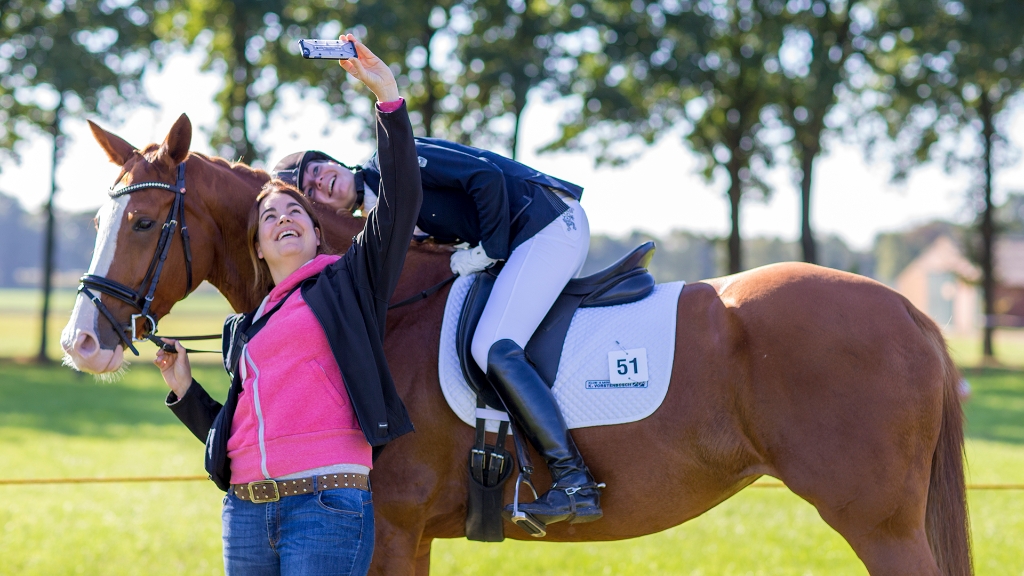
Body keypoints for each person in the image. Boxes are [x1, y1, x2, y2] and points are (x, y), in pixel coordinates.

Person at [154, 35, 421, 576]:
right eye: (270, 216)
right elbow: (231, 436)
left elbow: (400, 205)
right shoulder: (244, 328)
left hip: (327, 505)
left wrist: (387, 99)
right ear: (257, 245)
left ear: (317, 232)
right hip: (246, 510)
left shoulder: (350, 284)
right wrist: (183, 388)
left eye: (295, 210)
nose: (283, 219)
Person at [271, 116, 602, 527]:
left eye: (317, 170)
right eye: (312, 189)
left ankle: (575, 483)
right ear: (320, 208)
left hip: (548, 221)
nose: (321, 182)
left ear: (331, 161)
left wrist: (488, 250)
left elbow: (485, 176)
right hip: (526, 237)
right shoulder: (382, 219)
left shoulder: (391, 161)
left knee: (492, 346)